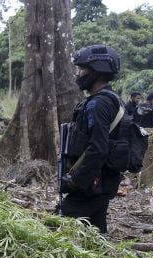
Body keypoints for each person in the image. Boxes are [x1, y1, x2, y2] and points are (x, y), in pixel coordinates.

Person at [59, 44, 122, 234]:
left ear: (96, 70)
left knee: (59, 226)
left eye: (82, 69)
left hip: (92, 184)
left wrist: (75, 181)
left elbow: (98, 149)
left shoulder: (99, 104)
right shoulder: (111, 99)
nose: (78, 74)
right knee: (95, 231)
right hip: (101, 182)